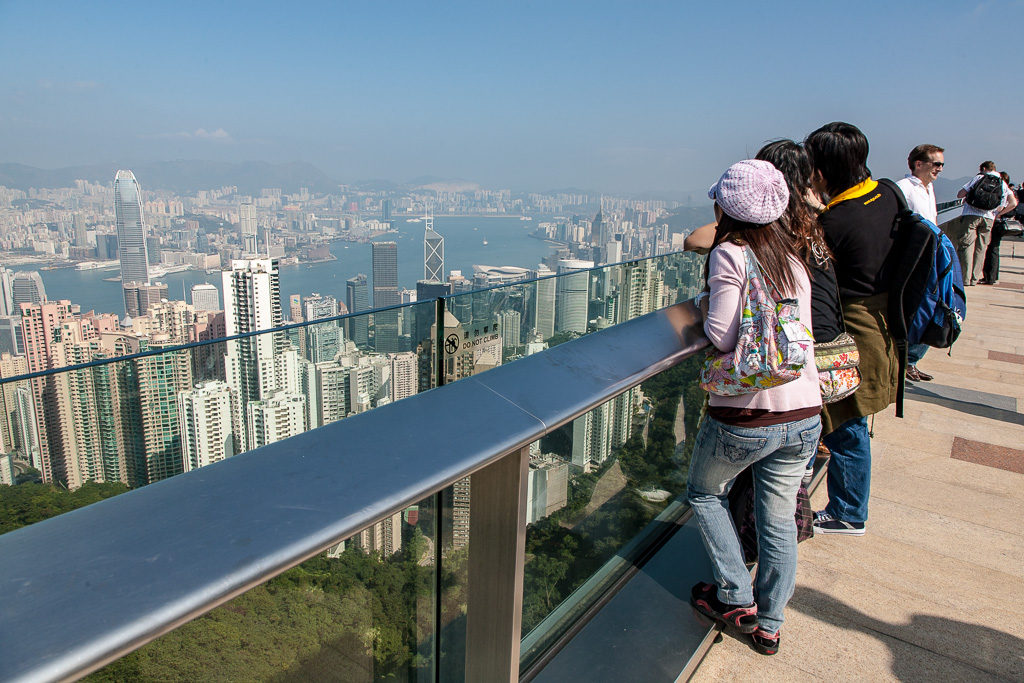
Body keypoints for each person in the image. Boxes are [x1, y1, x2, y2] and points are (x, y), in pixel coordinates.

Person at [688, 159, 822, 656]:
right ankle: (770, 623)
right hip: (805, 412)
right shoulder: (791, 256)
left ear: (726, 206)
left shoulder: (730, 253)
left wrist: (703, 305)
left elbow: (722, 335)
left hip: (747, 412)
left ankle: (734, 595)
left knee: (704, 492)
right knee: (778, 518)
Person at [803, 122, 901, 536]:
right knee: (849, 419)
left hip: (852, 328)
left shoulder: (834, 222)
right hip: (883, 321)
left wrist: (811, 213)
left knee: (845, 420)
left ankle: (847, 511)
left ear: (821, 174)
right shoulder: (888, 193)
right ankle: (845, 505)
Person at [896, 144, 944, 382]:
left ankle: (911, 360)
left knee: (929, 308)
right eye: (936, 164)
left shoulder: (929, 188)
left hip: (931, 255)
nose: (940, 169)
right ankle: (905, 360)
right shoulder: (904, 188)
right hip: (914, 259)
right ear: (918, 164)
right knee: (917, 309)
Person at [948, 162, 1016, 285]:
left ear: (984, 169)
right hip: (989, 218)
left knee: (966, 245)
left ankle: (965, 278)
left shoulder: (979, 177)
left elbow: (960, 194)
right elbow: (1013, 203)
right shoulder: (1002, 183)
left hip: (971, 214)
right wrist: (998, 213)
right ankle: (974, 278)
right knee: (981, 248)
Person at [980, 172, 1014, 285]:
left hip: (995, 222)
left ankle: (989, 276)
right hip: (1001, 224)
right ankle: (993, 276)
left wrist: (999, 213)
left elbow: (1014, 204)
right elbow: (1013, 203)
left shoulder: (1000, 190)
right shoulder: (1008, 191)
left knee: (991, 249)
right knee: (995, 249)